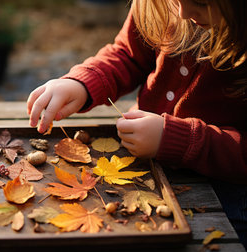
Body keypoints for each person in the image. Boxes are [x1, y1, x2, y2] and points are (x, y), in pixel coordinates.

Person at [27, 0, 247, 247]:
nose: (183, 13)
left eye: (201, 2)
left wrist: (177, 139)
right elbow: (129, 55)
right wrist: (83, 83)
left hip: (228, 190)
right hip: (145, 165)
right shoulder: (161, 5)